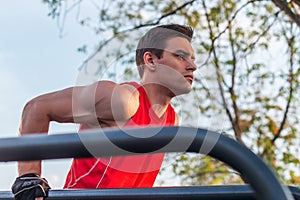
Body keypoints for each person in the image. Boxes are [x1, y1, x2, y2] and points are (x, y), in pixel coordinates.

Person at [11, 24, 197, 200]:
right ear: (151, 60)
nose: (192, 66)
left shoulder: (171, 120)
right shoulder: (122, 100)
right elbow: (37, 108)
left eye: (192, 59)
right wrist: (29, 176)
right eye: (180, 56)